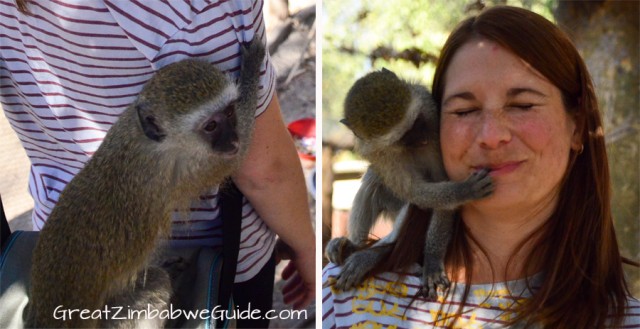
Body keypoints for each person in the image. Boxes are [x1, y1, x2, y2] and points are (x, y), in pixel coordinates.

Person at [0, 0, 315, 327]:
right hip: (211, 265)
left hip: (51, 232)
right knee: (161, 286)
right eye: (211, 128)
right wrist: (307, 245)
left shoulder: (147, 138)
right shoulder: (197, 9)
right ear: (155, 128)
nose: (230, 138)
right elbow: (262, 172)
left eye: (229, 114)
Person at [322, 5, 639, 328]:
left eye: (522, 105)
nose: (491, 137)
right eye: (464, 111)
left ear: (577, 125)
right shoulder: (340, 295)